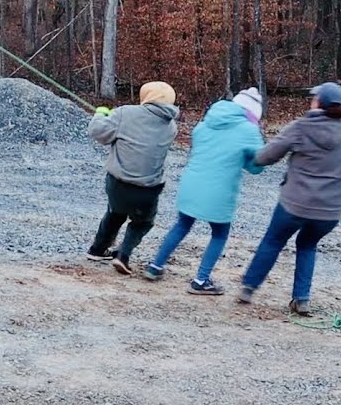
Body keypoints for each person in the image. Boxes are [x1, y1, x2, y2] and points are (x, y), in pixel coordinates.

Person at [236, 82, 341, 315]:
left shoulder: (302, 126)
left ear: (319, 103)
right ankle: (301, 299)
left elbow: (266, 157)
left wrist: (250, 156)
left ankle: (249, 287)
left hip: (295, 204)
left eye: (314, 98)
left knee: (272, 242)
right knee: (307, 245)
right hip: (330, 211)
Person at [145, 88, 266, 295]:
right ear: (253, 113)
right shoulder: (248, 130)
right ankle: (201, 280)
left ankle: (155, 266)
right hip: (219, 191)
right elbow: (257, 166)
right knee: (219, 233)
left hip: (192, 183)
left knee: (182, 225)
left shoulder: (206, 121)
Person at [86, 81, 180, 275]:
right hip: (148, 189)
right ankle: (123, 255)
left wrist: (100, 113)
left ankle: (97, 249)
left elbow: (98, 133)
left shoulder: (125, 113)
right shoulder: (171, 127)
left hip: (117, 183)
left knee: (115, 211)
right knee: (143, 222)